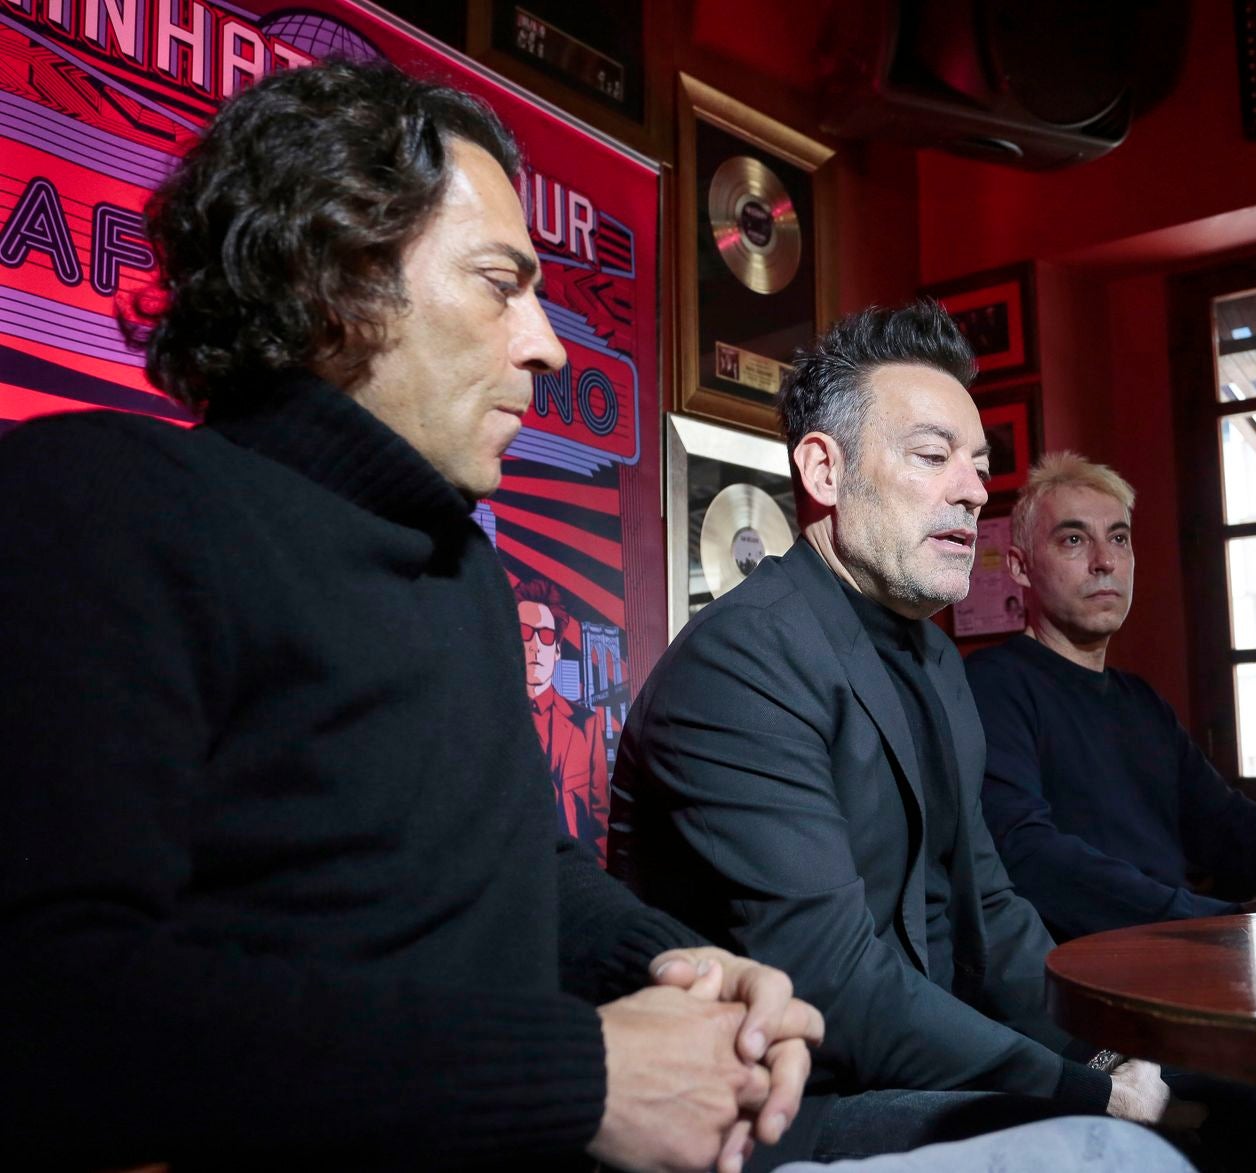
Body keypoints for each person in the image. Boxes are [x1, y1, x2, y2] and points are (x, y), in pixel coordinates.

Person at [0, 59, 826, 1173]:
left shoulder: (462, 572)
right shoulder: (100, 503)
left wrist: (683, 973)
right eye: (500, 281)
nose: (547, 343)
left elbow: (524, 874)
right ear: (336, 275)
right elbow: (51, 1012)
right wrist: (576, 1075)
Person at [609, 304, 1182, 1161]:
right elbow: (833, 982)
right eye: (932, 456)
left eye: (980, 465)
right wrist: (1086, 1088)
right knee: (1114, 1152)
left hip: (907, 1066)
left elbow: (989, 906)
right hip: (778, 1105)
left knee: (1221, 1078)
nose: (974, 488)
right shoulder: (742, 663)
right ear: (824, 470)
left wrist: (1101, 1046)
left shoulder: (934, 656)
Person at [965, 453, 1256, 943]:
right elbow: (1027, 854)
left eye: (1119, 538)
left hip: (1176, 952)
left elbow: (1226, 821)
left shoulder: (1141, 702)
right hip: (1083, 971)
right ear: (1020, 567)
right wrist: (1212, 922)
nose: (1104, 561)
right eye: (1073, 539)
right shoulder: (992, 687)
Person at [517, 576, 611, 858]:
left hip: (576, 879)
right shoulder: (488, 721)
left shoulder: (587, 724)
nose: (535, 646)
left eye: (545, 636)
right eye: (524, 632)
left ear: (557, 649)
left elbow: (600, 825)